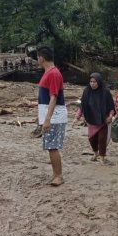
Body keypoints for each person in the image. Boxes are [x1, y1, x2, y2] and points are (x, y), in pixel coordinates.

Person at [37, 47, 67, 186]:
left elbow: (53, 97)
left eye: (38, 57)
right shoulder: (48, 73)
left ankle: (59, 176)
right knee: (50, 146)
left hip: (55, 116)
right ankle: (55, 174)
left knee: (53, 146)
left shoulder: (53, 73)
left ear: (42, 58)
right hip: (50, 115)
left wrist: (47, 119)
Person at [73, 73, 116, 164]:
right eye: (91, 82)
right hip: (91, 119)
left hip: (103, 120)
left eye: (94, 82)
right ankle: (96, 153)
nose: (92, 84)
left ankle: (102, 157)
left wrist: (110, 116)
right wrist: (77, 118)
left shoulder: (105, 92)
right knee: (92, 139)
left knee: (102, 139)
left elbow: (111, 106)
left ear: (99, 82)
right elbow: (82, 106)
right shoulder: (87, 91)